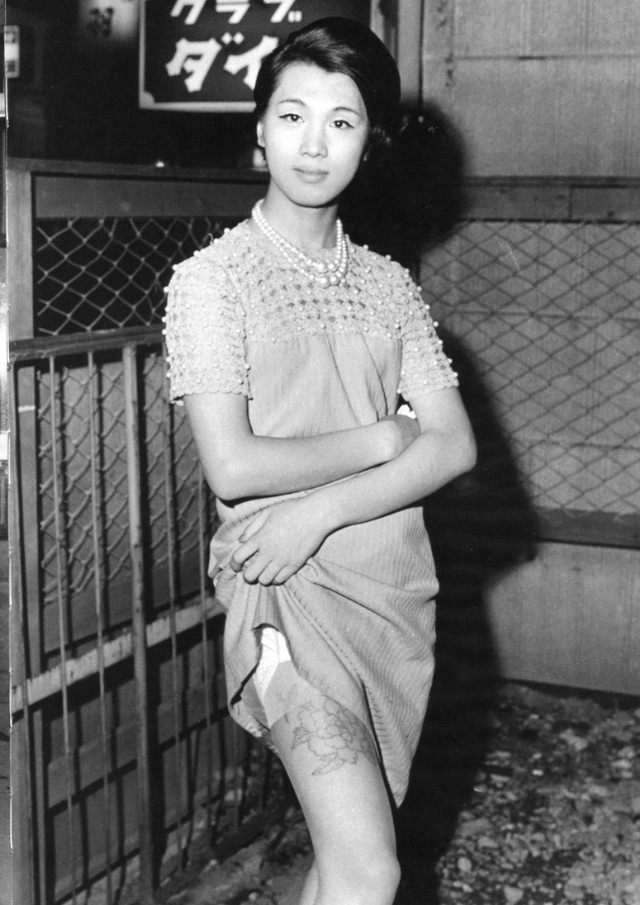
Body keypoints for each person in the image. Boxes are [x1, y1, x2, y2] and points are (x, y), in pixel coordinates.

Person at [164, 17, 476, 905]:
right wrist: (382, 440)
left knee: (346, 862)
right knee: (372, 867)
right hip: (283, 602)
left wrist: (322, 507)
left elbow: (454, 445)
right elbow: (234, 465)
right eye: (292, 115)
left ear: (370, 144)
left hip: (388, 592)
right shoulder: (210, 281)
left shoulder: (389, 285)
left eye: (342, 122)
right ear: (258, 127)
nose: (313, 143)